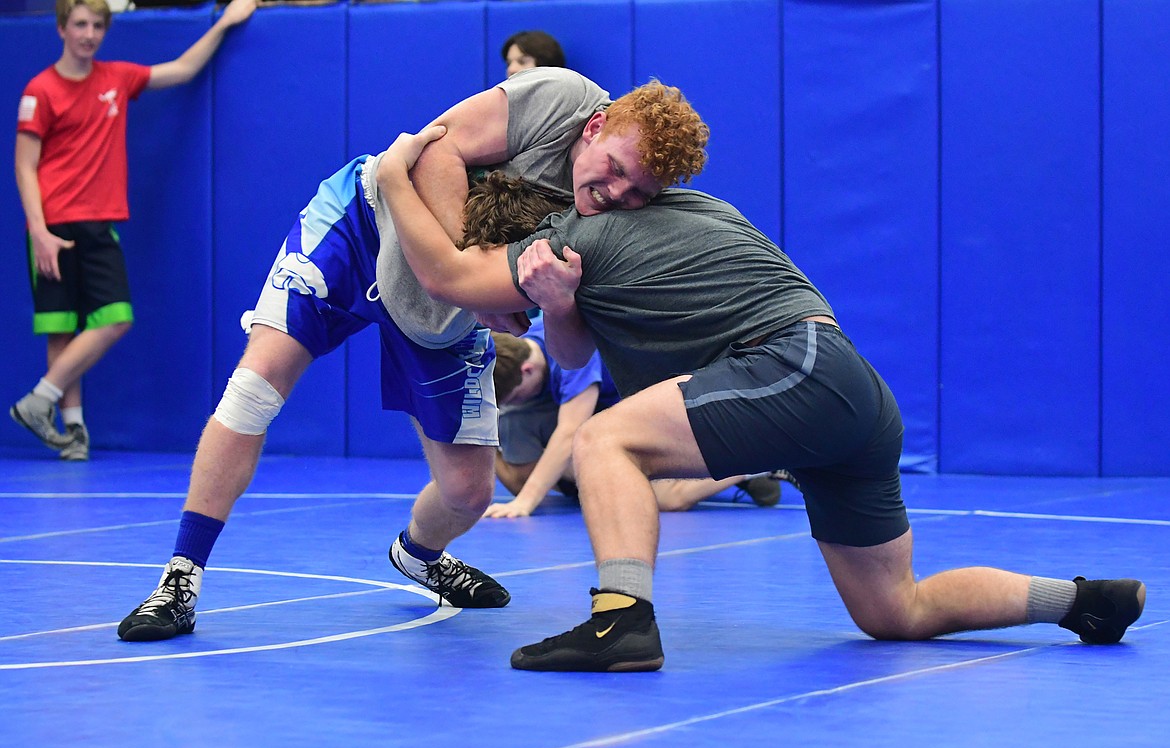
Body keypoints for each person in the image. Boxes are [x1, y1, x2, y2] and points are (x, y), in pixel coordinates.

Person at [375, 125, 1147, 673]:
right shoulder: (690, 213)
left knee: (604, 442)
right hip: (850, 395)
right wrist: (561, 306)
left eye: (507, 307)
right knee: (894, 613)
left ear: (521, 248)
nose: (500, 325)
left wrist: (388, 182)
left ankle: (622, 623)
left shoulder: (571, 237)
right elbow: (573, 351)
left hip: (794, 368)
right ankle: (1083, 601)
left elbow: (445, 274)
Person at [116, 68, 710, 642]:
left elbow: (562, 342)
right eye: (613, 170)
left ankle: (419, 556)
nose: (612, 194)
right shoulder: (561, 99)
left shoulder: (611, 227)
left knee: (469, 492)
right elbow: (432, 152)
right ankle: (179, 579)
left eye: (637, 193)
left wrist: (532, 304)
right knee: (254, 388)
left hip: (441, 312)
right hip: (362, 226)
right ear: (595, 127)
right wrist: (465, 269)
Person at [10, 0, 258, 462]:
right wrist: (39, 231)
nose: (88, 33)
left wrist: (224, 21)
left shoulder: (117, 78)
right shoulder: (40, 91)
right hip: (52, 226)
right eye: (80, 24)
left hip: (98, 223)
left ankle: (38, 401)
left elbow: (183, 69)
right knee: (62, 331)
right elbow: (24, 165)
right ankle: (74, 433)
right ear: (62, 28)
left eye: (97, 25)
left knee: (113, 318)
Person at [489, 318, 798, 517]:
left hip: (659, 396)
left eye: (515, 395)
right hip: (610, 408)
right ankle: (591, 481)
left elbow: (569, 431)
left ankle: (758, 462)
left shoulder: (571, 356)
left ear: (527, 369)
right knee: (517, 430)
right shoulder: (515, 340)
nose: (514, 403)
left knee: (667, 500)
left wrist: (525, 503)